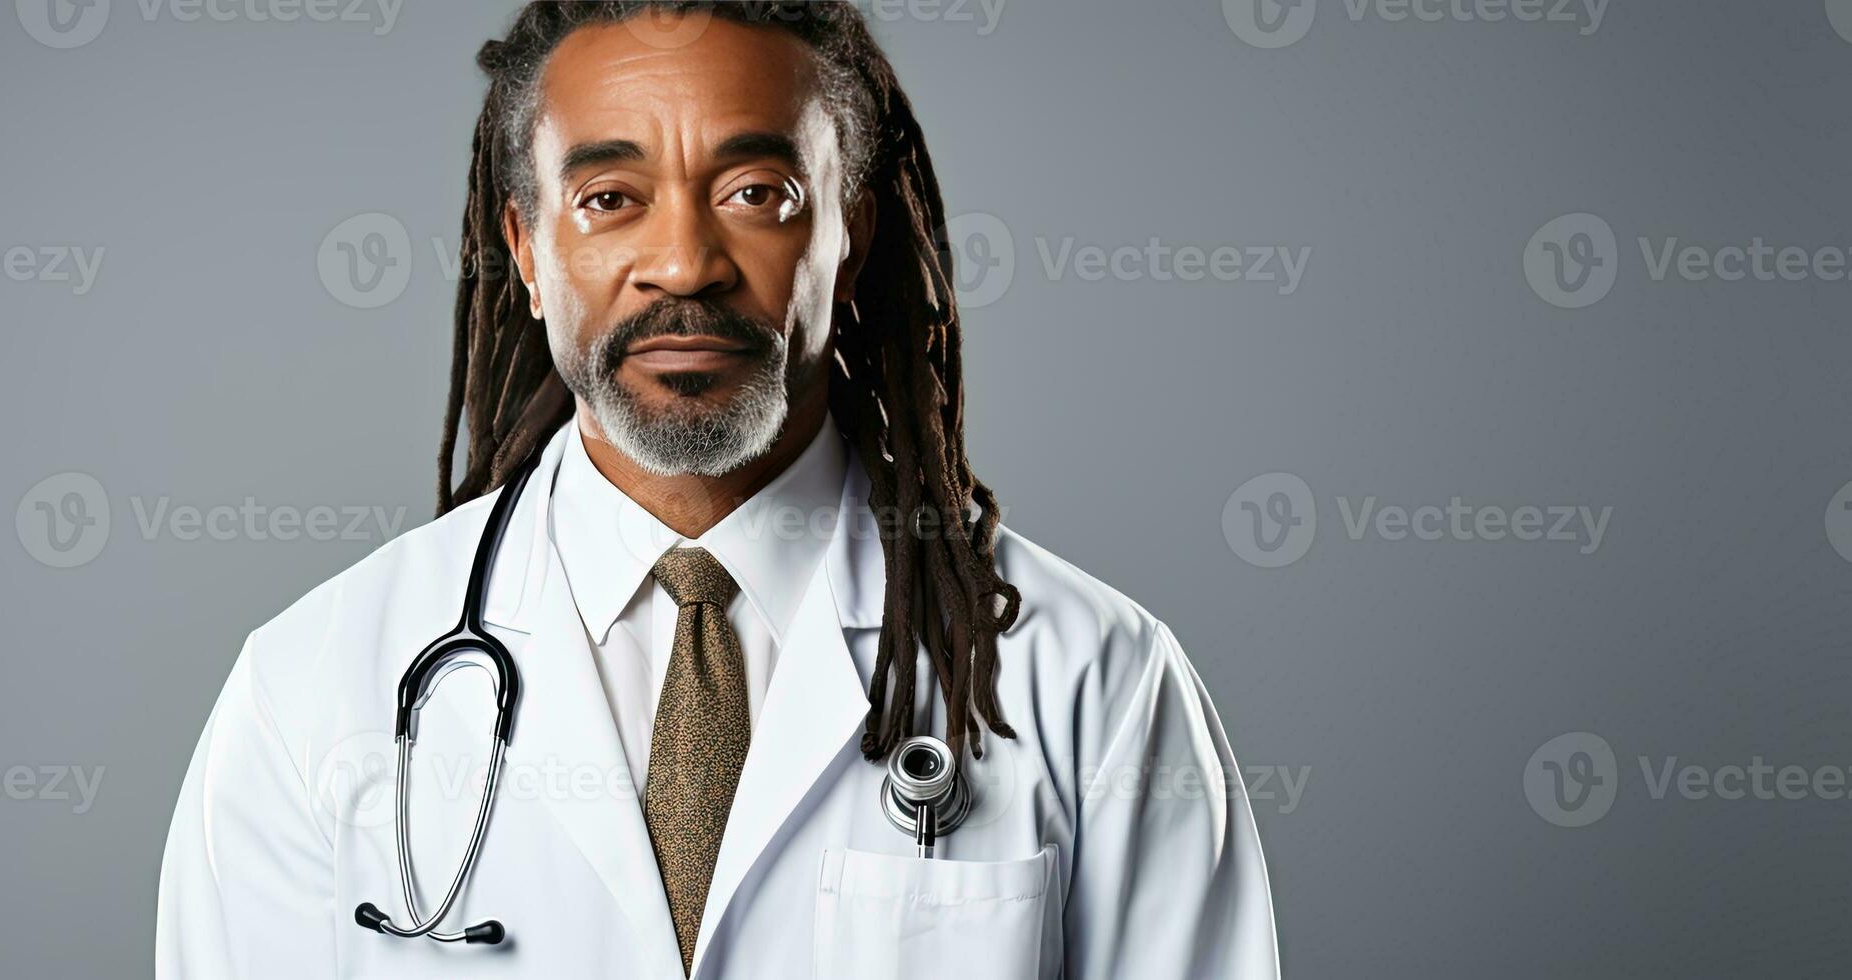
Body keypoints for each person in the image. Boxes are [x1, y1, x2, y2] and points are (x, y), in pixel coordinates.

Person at [156, 3, 1278, 977]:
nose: (684, 261)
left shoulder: (1095, 683)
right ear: (527, 247)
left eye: (756, 190)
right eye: (607, 196)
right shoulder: (308, 692)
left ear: (853, 232)